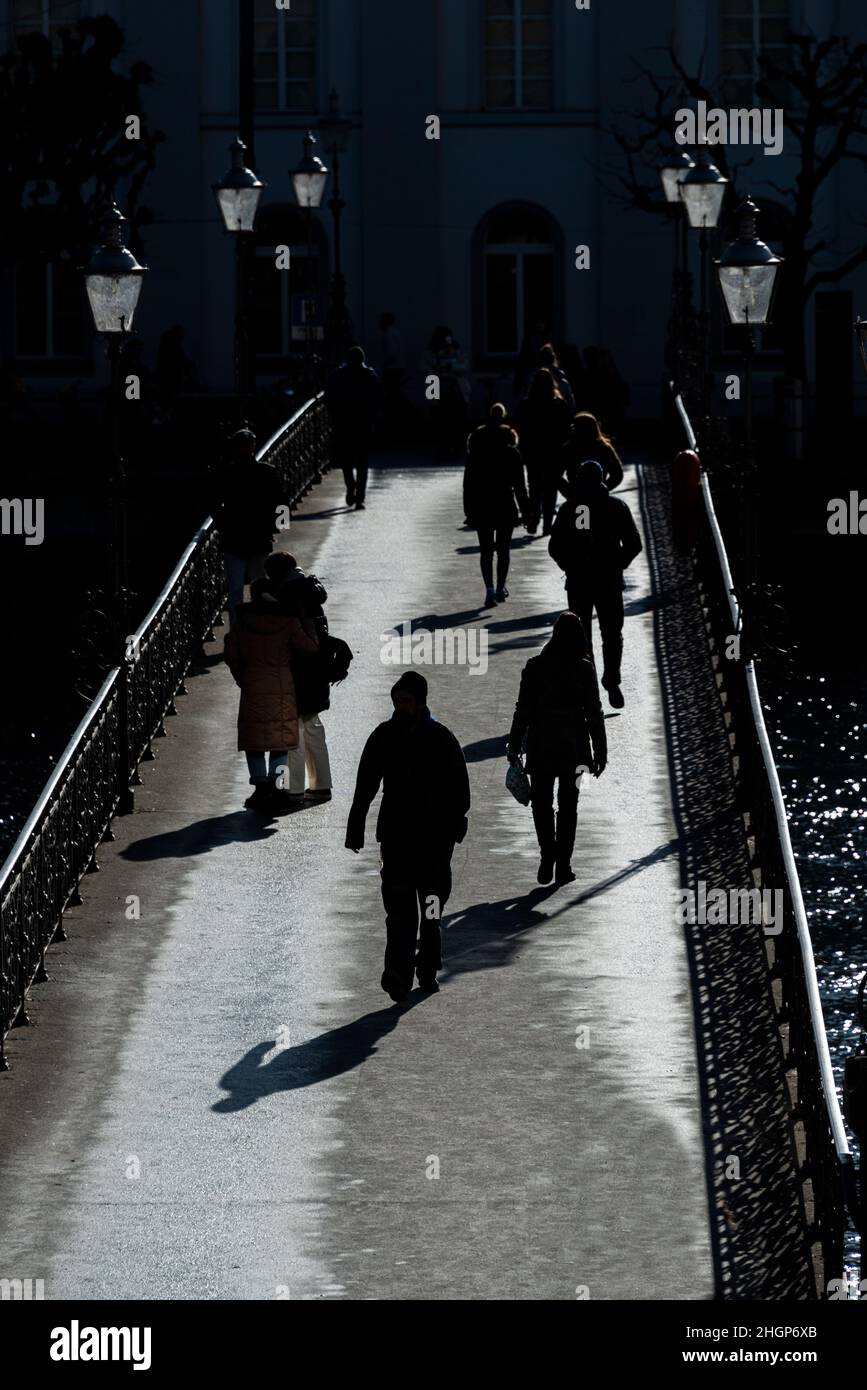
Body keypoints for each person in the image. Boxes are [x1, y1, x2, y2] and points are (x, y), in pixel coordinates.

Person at [345, 671, 470, 1003]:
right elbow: (366, 783)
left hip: (434, 841)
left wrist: (457, 824)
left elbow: (460, 789)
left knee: (430, 909)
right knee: (399, 913)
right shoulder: (384, 737)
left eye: (407, 701)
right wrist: (355, 825)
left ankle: (427, 967)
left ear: (421, 702)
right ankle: (398, 975)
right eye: (397, 701)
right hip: (397, 838)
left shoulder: (442, 739)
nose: (401, 707)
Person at [508, 612, 607, 885]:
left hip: (541, 748)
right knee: (569, 806)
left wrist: (514, 744)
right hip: (577, 752)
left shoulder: (534, 667)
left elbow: (523, 711)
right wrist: (601, 752)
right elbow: (595, 714)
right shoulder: (585, 669)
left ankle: (547, 855)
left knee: (541, 804)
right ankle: (563, 864)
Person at [548, 459, 642, 710]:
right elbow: (634, 544)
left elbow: (555, 547)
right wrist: (617, 564)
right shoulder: (616, 507)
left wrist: (570, 566)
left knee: (581, 637)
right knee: (612, 634)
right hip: (608, 581)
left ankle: (587, 687)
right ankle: (612, 680)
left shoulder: (571, 509)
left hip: (579, 581)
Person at [224, 578, 319, 813]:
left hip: (253, 685)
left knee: (254, 741)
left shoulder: (243, 620)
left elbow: (231, 653)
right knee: (280, 743)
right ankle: (278, 789)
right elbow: (309, 648)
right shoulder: (287, 619)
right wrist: (309, 625)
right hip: (282, 686)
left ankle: (259, 789)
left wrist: (242, 677)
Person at [265, 551, 338, 803]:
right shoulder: (310, 590)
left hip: (297, 671)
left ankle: (292, 789)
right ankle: (320, 785)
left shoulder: (288, 596)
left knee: (291, 730)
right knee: (313, 727)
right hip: (317, 671)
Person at [212, 428, 287, 626]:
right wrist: (277, 526)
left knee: (236, 589)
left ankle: (237, 632)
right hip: (258, 537)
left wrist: (222, 524)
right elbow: (281, 502)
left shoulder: (226, 473)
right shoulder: (267, 472)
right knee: (259, 587)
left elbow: (213, 503)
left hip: (234, 538)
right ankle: (257, 628)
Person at [463, 402, 530, 607]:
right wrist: (526, 511)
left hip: (482, 503)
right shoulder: (512, 453)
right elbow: (520, 485)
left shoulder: (476, 452)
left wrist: (469, 510)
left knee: (486, 550)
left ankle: (489, 589)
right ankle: (501, 587)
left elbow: (468, 484)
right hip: (505, 503)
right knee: (503, 549)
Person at [513, 368, 574, 535]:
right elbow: (567, 429)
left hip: (532, 451)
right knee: (551, 488)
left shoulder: (525, 404)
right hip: (554, 452)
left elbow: (517, 426)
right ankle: (548, 524)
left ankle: (533, 520)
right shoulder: (559, 404)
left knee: (534, 488)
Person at [325, 345, 383, 509]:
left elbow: (329, 398)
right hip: (363, 424)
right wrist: (373, 418)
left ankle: (351, 486)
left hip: (343, 423)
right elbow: (378, 399)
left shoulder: (337, 376)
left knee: (346, 460)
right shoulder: (369, 375)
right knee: (362, 461)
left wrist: (335, 415)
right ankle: (360, 497)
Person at [425, 326, 471, 459]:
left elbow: (465, 366)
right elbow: (423, 367)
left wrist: (451, 366)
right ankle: (441, 447)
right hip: (435, 385)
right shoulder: (431, 352)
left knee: (457, 417)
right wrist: (435, 366)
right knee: (438, 417)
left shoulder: (457, 350)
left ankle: (456, 446)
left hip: (455, 388)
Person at [559, 412, 625, 494]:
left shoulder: (569, 448)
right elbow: (618, 474)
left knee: (581, 507)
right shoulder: (604, 448)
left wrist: (570, 492)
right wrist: (604, 488)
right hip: (595, 497)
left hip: (578, 497)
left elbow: (556, 474)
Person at [522, 344, 576, 412]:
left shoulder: (529, 379)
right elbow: (571, 406)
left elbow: (523, 401)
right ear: (553, 359)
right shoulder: (563, 381)